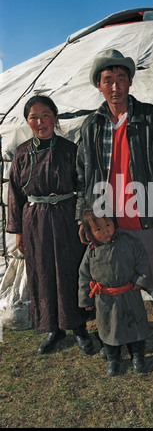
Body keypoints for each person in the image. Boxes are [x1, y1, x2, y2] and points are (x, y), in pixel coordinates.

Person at [76, 49, 153, 359]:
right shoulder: (91, 126)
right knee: (111, 284)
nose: (115, 86)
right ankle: (113, 340)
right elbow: (83, 175)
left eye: (121, 79)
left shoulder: (150, 117)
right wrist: (82, 219)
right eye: (108, 80)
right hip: (106, 224)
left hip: (144, 216)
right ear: (98, 85)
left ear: (129, 82)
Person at [7, 95, 94, 355]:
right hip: (35, 221)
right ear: (27, 121)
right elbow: (14, 194)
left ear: (55, 117)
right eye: (33, 117)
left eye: (45, 115)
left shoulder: (70, 149)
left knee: (70, 271)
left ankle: (79, 327)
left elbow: (84, 186)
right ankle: (52, 328)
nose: (40, 121)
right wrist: (18, 232)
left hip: (67, 218)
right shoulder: (22, 153)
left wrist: (84, 220)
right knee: (42, 273)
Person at [78, 207, 150, 376]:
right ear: (89, 233)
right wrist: (86, 300)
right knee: (108, 330)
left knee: (136, 328)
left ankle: (138, 357)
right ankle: (113, 359)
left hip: (129, 294)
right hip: (105, 300)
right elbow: (83, 276)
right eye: (98, 229)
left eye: (108, 225)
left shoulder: (129, 241)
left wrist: (140, 280)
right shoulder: (91, 252)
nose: (106, 231)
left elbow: (143, 260)